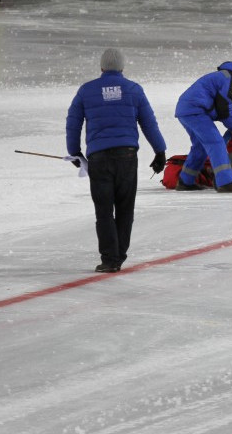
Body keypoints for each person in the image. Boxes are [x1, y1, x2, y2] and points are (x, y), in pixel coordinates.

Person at [66, 49, 167, 273]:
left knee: (103, 210)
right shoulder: (133, 89)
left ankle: (109, 258)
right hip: (127, 155)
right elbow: (149, 122)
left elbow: (73, 122)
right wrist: (160, 151)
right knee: (124, 208)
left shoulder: (87, 90)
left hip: (99, 157)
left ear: (102, 67)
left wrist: (74, 152)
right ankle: (119, 255)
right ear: (122, 67)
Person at [174, 58, 232, 192]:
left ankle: (185, 181)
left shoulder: (227, 76)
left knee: (201, 147)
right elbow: (224, 106)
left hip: (186, 109)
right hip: (196, 110)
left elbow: (225, 105)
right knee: (216, 143)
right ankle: (225, 183)